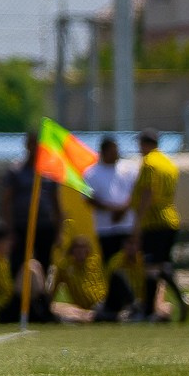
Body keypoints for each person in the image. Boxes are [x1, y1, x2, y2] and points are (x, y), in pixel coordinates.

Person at [2, 128, 62, 323]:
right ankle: (18, 307)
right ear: (26, 145)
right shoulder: (16, 170)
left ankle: (41, 308)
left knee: (43, 266)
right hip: (21, 226)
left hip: (44, 226)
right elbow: (7, 201)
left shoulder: (49, 172)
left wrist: (59, 230)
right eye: (32, 143)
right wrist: (10, 230)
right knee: (19, 265)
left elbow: (55, 202)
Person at [129, 130, 187, 320]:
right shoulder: (168, 163)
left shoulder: (149, 163)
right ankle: (175, 300)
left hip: (154, 222)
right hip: (170, 219)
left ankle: (149, 310)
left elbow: (148, 193)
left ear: (145, 144)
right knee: (162, 264)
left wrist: (137, 224)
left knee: (151, 267)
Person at [83, 135, 138, 319]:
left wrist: (123, 209)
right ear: (104, 151)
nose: (116, 153)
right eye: (113, 149)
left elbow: (136, 192)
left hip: (126, 225)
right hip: (105, 228)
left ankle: (121, 303)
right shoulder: (91, 173)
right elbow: (89, 199)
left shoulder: (128, 169)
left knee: (126, 264)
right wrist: (111, 209)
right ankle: (122, 303)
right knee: (111, 265)